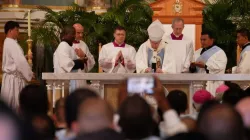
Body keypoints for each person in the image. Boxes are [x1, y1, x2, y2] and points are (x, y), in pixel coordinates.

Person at [1, 21, 33, 109]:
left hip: (10, 77)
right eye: (16, 30)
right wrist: (29, 74)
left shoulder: (7, 42)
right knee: (15, 105)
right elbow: (20, 62)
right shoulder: (12, 43)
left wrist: (25, 57)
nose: (18, 32)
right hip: (14, 80)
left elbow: (14, 60)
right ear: (10, 30)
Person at [189, 31, 227, 95]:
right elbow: (193, 70)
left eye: (204, 40)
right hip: (198, 85)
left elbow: (220, 67)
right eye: (201, 40)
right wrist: (192, 67)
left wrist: (205, 66)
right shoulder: (197, 52)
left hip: (213, 86)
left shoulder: (220, 52)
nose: (202, 42)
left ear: (212, 40)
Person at [53, 26, 87, 92]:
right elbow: (67, 64)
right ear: (65, 35)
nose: (74, 36)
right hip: (63, 83)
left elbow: (75, 61)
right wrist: (81, 62)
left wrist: (83, 59)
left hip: (69, 81)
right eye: (72, 34)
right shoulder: (63, 45)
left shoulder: (68, 46)